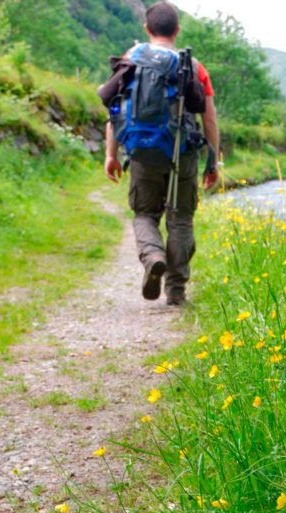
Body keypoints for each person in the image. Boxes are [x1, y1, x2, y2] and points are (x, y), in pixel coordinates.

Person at [102, 1, 220, 306]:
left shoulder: (132, 59)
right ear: (177, 30)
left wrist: (111, 154)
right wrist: (213, 161)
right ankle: (176, 291)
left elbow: (117, 110)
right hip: (181, 153)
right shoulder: (193, 66)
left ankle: (153, 255)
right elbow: (209, 119)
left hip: (141, 151)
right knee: (180, 218)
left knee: (144, 214)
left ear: (146, 29)